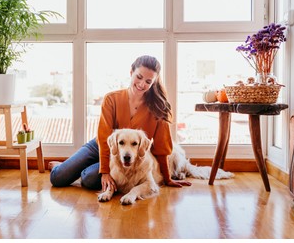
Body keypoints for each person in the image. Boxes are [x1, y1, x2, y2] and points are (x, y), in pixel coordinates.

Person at [50, 55, 191, 192]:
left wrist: (167, 179)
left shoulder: (159, 108)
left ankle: (81, 168)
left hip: (124, 156)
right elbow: (104, 137)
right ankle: (63, 166)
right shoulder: (111, 99)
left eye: (148, 81)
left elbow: (161, 149)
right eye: (139, 77)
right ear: (131, 72)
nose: (142, 84)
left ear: (154, 82)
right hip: (101, 145)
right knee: (58, 178)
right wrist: (104, 171)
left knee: (89, 179)